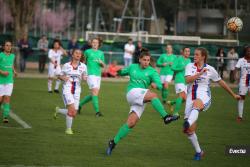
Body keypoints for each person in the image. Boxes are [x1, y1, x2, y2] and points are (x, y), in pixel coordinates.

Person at [106, 51, 175, 156]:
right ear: (139, 59)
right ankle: (165, 117)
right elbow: (121, 72)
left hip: (141, 97)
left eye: (148, 60)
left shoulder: (152, 71)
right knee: (153, 96)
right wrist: (118, 71)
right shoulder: (133, 67)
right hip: (132, 93)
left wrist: (157, 85)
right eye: (144, 60)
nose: (146, 62)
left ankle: (113, 142)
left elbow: (159, 85)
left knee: (131, 123)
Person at [183, 48, 240, 160]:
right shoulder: (190, 66)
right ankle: (199, 152)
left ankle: (188, 122)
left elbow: (221, 82)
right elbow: (188, 80)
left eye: (197, 55)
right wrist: (199, 73)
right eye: (194, 54)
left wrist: (233, 95)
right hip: (190, 97)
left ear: (203, 56)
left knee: (197, 104)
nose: (194, 56)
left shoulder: (210, 69)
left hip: (204, 96)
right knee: (189, 131)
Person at [54, 49, 87, 134]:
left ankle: (59, 111)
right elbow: (59, 75)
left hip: (77, 91)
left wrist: (85, 78)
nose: (78, 54)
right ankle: (68, 129)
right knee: (71, 110)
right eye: (76, 53)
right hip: (67, 90)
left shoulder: (83, 66)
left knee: (74, 113)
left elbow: (84, 76)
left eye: (80, 53)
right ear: (72, 55)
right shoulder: (66, 65)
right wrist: (63, 78)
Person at [78, 38, 105, 117]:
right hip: (90, 74)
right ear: (91, 43)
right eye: (93, 42)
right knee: (95, 91)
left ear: (98, 44)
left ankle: (79, 105)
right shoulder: (87, 52)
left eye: (96, 42)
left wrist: (101, 63)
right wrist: (83, 73)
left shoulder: (101, 53)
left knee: (94, 94)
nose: (95, 44)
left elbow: (103, 65)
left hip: (98, 75)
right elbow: (82, 63)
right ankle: (97, 112)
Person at [167, 47, 191, 120]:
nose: (187, 53)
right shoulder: (178, 59)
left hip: (186, 81)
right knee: (181, 96)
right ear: (183, 52)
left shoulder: (189, 60)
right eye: (186, 51)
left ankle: (171, 103)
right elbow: (172, 68)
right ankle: (175, 113)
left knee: (184, 99)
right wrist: (181, 68)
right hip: (179, 80)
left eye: (188, 51)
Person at [0, 40, 17, 123]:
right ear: (4, 46)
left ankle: (5, 116)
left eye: (10, 45)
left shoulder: (13, 56)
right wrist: (2, 72)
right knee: (0, 99)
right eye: (7, 45)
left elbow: (11, 65)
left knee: (7, 98)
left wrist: (14, 71)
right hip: (0, 80)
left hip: (9, 80)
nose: (8, 47)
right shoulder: (0, 55)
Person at [234, 46, 250, 122]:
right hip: (243, 82)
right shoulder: (241, 60)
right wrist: (235, 76)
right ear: (245, 52)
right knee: (241, 98)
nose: (249, 52)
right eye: (248, 51)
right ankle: (240, 116)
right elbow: (236, 68)